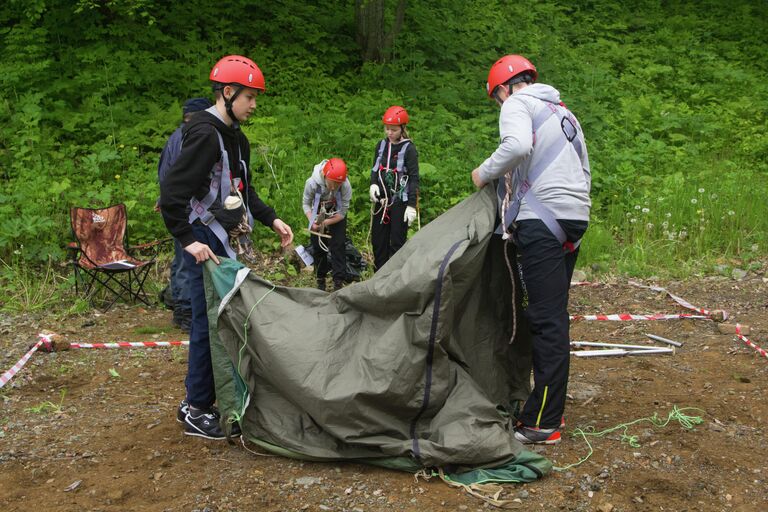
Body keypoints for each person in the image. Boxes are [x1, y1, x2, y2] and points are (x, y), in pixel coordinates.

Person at [160, 55, 294, 440]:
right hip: (203, 241)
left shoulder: (236, 138)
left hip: (219, 240)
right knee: (207, 323)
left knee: (221, 321)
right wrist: (187, 240)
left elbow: (242, 190)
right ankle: (196, 406)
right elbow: (172, 193)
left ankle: (209, 397)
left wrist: (271, 219)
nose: (254, 105)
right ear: (228, 92)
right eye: (250, 98)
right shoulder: (204, 134)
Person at [470, 54, 591, 445]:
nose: (499, 105)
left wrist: (483, 172)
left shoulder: (519, 104)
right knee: (552, 315)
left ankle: (543, 421)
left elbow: (518, 145)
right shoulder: (564, 113)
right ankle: (543, 409)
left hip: (542, 221)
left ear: (503, 88)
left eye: (496, 99)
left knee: (546, 320)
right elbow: (583, 169)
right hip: (572, 220)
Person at [157, 97, 212, 332]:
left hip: (181, 207)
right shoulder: (188, 138)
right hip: (188, 210)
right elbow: (174, 176)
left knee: (181, 260)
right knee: (188, 261)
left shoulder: (178, 137)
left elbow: (165, 175)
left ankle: (182, 310)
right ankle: (186, 312)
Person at [368, 106, 419, 272]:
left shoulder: (409, 149)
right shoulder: (381, 145)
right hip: (382, 201)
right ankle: (379, 274)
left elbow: (413, 177)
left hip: (400, 201)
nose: (389, 133)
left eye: (394, 130)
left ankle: (394, 276)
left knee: (397, 241)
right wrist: (373, 184)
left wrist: (411, 205)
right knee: (378, 239)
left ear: (403, 128)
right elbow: (375, 168)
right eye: (387, 129)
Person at [302, 158, 353, 291]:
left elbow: (342, 212)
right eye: (332, 183)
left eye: (338, 184)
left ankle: (338, 281)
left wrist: (327, 222)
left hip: (336, 211)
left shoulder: (345, 185)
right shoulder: (312, 183)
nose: (334, 187)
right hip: (318, 210)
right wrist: (312, 221)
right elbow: (306, 204)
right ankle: (320, 278)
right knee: (317, 246)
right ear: (325, 176)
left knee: (338, 244)